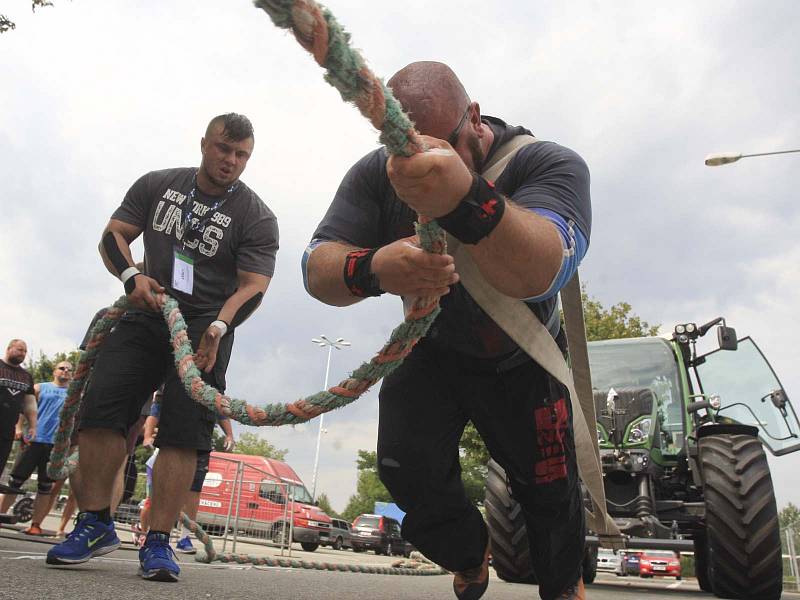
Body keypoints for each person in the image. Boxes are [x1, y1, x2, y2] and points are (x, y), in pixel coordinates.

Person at [302, 62, 590, 600]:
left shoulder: (547, 163)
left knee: (549, 493)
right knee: (404, 468)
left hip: (522, 358)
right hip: (431, 350)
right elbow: (316, 267)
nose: (419, 168)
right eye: (401, 151)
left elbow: (545, 268)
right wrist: (373, 268)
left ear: (474, 118)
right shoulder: (378, 172)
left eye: (441, 146)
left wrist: (465, 197)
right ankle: (466, 553)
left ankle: (562, 586)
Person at [46, 113, 279, 584]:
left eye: (241, 155)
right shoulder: (157, 185)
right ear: (203, 144)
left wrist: (218, 326)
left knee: (183, 431)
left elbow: (253, 287)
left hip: (204, 327)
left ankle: (158, 541)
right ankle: (94, 523)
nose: (231, 161)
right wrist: (131, 277)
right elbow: (113, 236)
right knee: (100, 409)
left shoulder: (257, 216)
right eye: (223, 149)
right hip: (146, 308)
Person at [140, 391, 235, 553]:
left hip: (199, 443)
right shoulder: (174, 381)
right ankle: (147, 533)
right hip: (171, 443)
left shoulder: (211, 389)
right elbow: (156, 408)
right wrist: (147, 436)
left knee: (193, 492)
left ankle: (183, 538)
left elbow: (221, 412)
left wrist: (230, 435)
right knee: (156, 496)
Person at [0, 361, 72, 535]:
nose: (66, 371)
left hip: (55, 445)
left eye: (70, 370)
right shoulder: (39, 388)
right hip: (33, 440)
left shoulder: (75, 395)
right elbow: (23, 408)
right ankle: (1, 517)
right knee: (15, 481)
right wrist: (18, 429)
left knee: (45, 487)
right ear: (55, 371)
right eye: (62, 368)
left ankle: (35, 525)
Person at [0, 340, 36, 482]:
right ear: (9, 349)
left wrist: (33, 425)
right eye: (20, 350)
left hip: (7, 429)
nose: (23, 354)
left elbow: (30, 402)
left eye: (25, 351)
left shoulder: (26, 376)